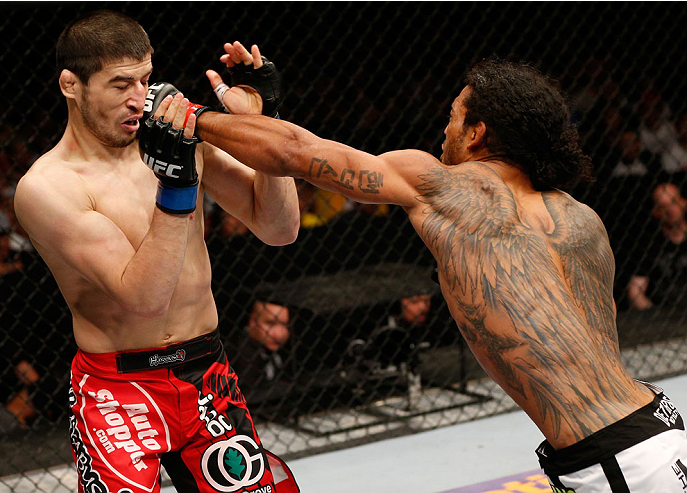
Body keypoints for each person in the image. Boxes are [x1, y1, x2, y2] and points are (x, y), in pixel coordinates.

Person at [161, 54, 687, 490]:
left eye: (455, 116)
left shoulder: (442, 186)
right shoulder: (582, 218)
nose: (444, 126)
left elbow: (298, 154)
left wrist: (184, 114)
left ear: (478, 133)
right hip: (654, 425)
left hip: (618, 461)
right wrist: (261, 116)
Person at [13, 11, 300, 493]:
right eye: (119, 83)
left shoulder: (178, 138)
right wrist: (177, 186)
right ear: (71, 85)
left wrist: (264, 128)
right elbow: (144, 296)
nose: (139, 97)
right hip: (118, 391)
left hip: (206, 372)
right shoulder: (48, 187)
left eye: (146, 79)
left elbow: (279, 227)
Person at [627, 182, 687, 311]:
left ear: (684, 203)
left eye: (674, 202)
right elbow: (635, 293)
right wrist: (656, 316)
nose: (671, 210)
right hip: (663, 316)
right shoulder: (649, 245)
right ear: (656, 212)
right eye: (664, 206)